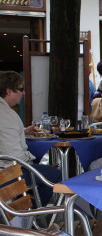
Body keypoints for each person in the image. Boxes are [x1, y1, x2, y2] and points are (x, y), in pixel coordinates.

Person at [0, 71, 60, 206]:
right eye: (21, 89)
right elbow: (13, 156)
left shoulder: (5, 114)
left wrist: (22, 131)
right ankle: (31, 212)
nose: (24, 93)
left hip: (5, 169)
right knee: (55, 175)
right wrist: (29, 160)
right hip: (8, 174)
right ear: (9, 91)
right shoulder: (7, 116)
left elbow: (4, 134)